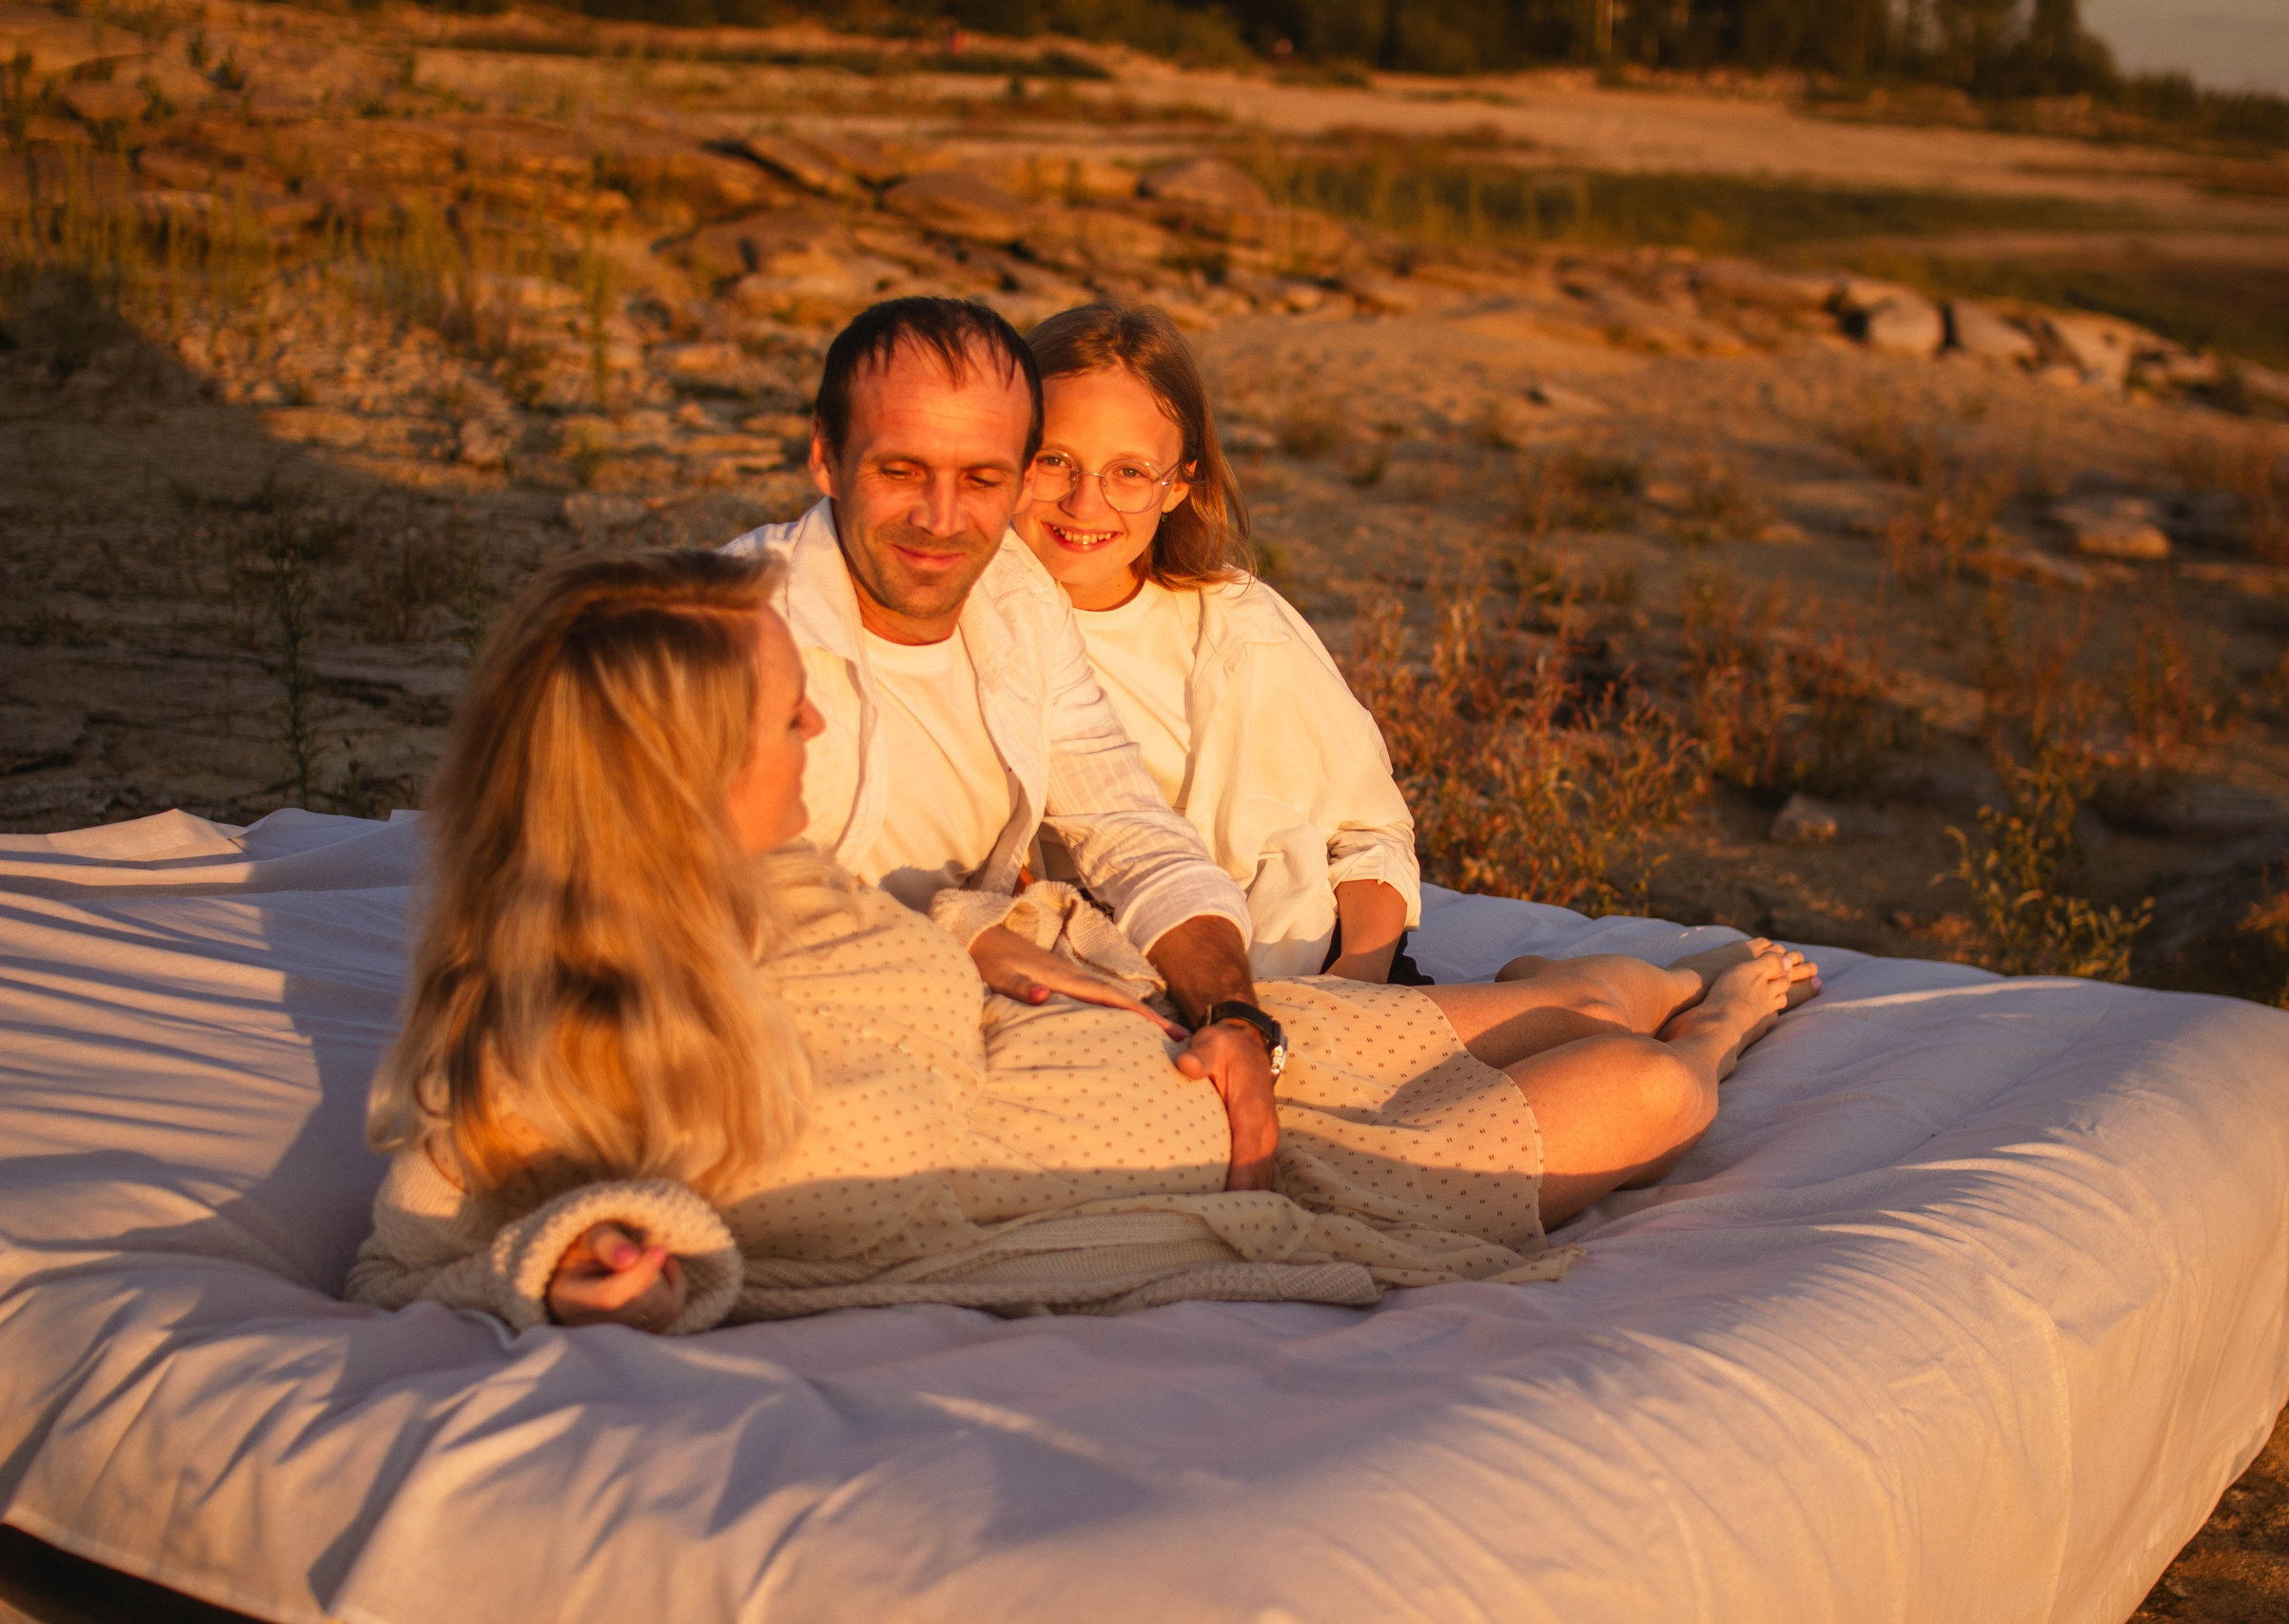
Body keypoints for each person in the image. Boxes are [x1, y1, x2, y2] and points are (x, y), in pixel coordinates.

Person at [347, 550, 1810, 1334]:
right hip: (1240, 1177)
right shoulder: (560, 1025)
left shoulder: (769, 871)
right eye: (783, 710)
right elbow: (423, 1249)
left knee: (1616, 981)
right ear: (672, 760)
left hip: (1168, 1043)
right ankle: (1718, 1026)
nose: (813, 724)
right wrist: (593, 1257)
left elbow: (932, 928)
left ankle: (1608, 989)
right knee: (1658, 1077)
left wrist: (999, 944)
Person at [720, 296, 1286, 1191]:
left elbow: (1127, 823)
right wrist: (966, 931)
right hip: (833, 1053)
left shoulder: (1018, 602)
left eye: (983, 479)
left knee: (1574, 1049)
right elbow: (676, 903)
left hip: (1011, 1011)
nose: (942, 520)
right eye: (904, 470)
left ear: (1022, 474)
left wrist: (1240, 1019)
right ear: (826, 456)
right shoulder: (737, 625)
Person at [1013, 299, 1422, 985]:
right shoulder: (973, 626)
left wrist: (1355, 982)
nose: (1086, 503)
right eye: (1054, 459)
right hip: (1118, 982)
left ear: (1178, 486)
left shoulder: (1238, 621)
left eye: (1130, 472)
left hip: (1312, 963)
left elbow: (1370, 834)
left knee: (1601, 1027)